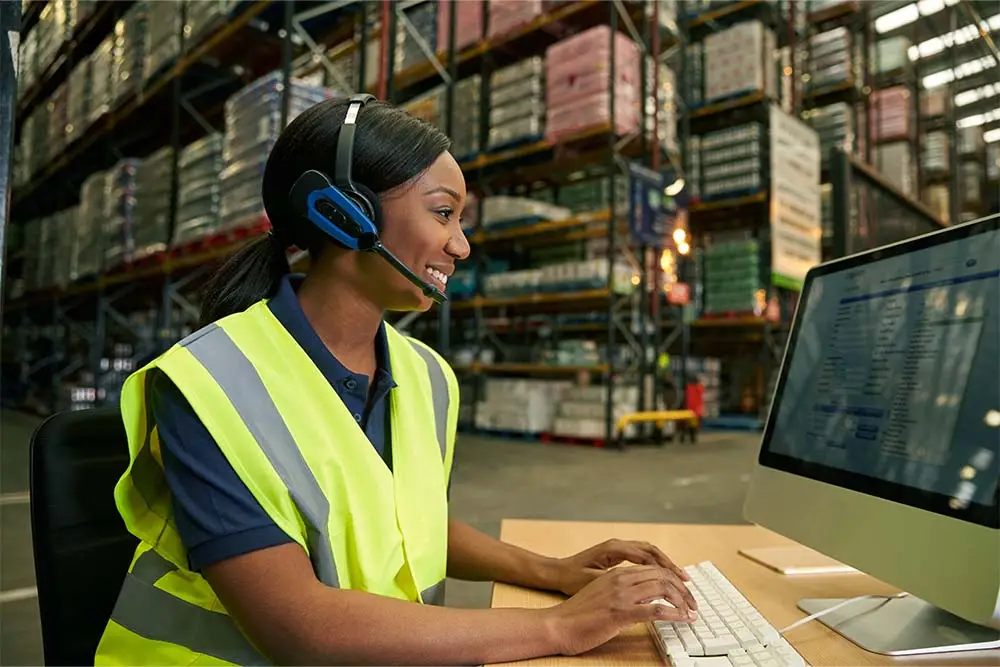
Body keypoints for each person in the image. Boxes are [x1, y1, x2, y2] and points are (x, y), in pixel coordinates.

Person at [94, 98, 697, 666]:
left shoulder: (427, 375)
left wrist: (552, 571)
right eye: (443, 213)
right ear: (344, 212)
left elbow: (409, 524)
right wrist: (560, 627)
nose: (460, 245)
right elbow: (299, 628)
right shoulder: (209, 384)